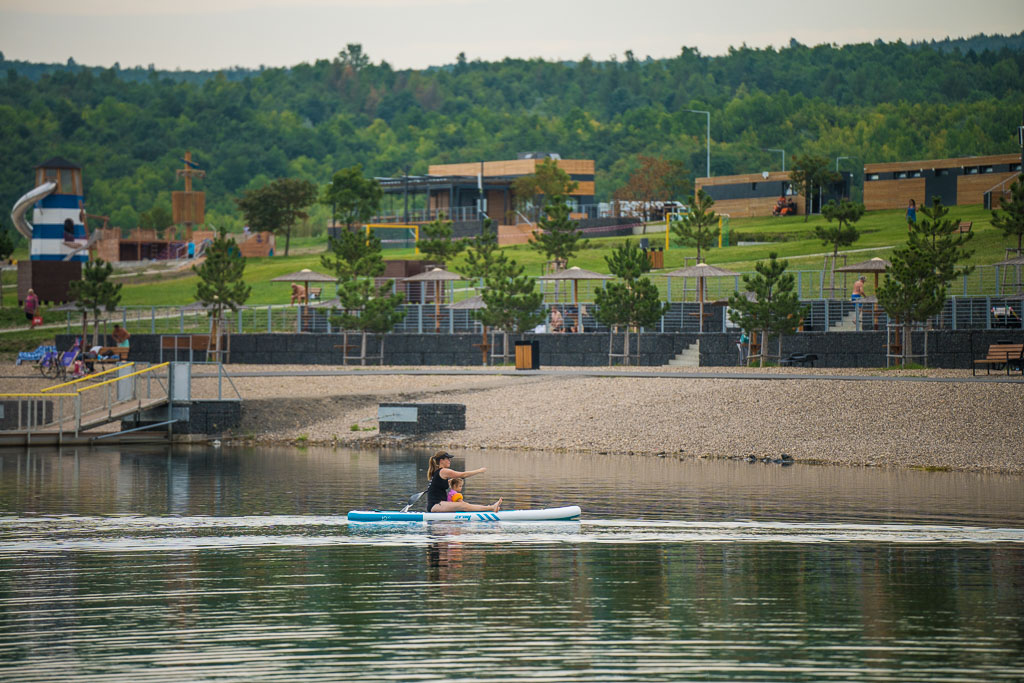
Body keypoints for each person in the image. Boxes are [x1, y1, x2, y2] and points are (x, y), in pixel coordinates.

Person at [425, 451, 501, 513]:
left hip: (438, 504)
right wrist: (479, 471)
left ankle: (489, 508)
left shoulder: (438, 472)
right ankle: (491, 508)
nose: (449, 460)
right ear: (441, 461)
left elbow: (439, 485)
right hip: (436, 505)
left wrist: (450, 481)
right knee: (463, 505)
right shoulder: (443, 471)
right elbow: (463, 475)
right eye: (447, 459)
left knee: (463, 505)